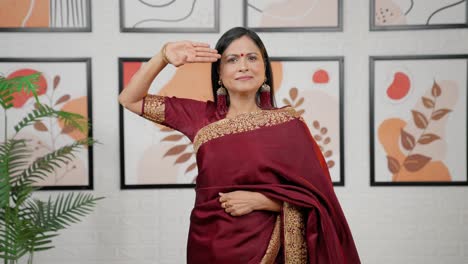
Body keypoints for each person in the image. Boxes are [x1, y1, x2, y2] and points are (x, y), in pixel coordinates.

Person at [119, 27, 360, 264]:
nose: (243, 66)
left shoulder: (289, 124)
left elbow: (318, 200)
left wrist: (262, 201)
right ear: (220, 73)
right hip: (210, 248)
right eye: (232, 60)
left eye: (252, 58)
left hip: (273, 251)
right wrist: (163, 57)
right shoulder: (199, 118)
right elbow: (130, 99)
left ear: (264, 69)